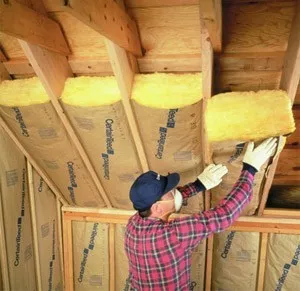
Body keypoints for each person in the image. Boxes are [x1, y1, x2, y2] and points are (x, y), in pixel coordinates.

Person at [125, 137, 278, 290]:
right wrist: (250, 169)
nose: (175, 191)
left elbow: (170, 201)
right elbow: (225, 214)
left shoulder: (133, 224)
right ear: (157, 208)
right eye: (170, 192)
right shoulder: (174, 234)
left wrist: (199, 185)